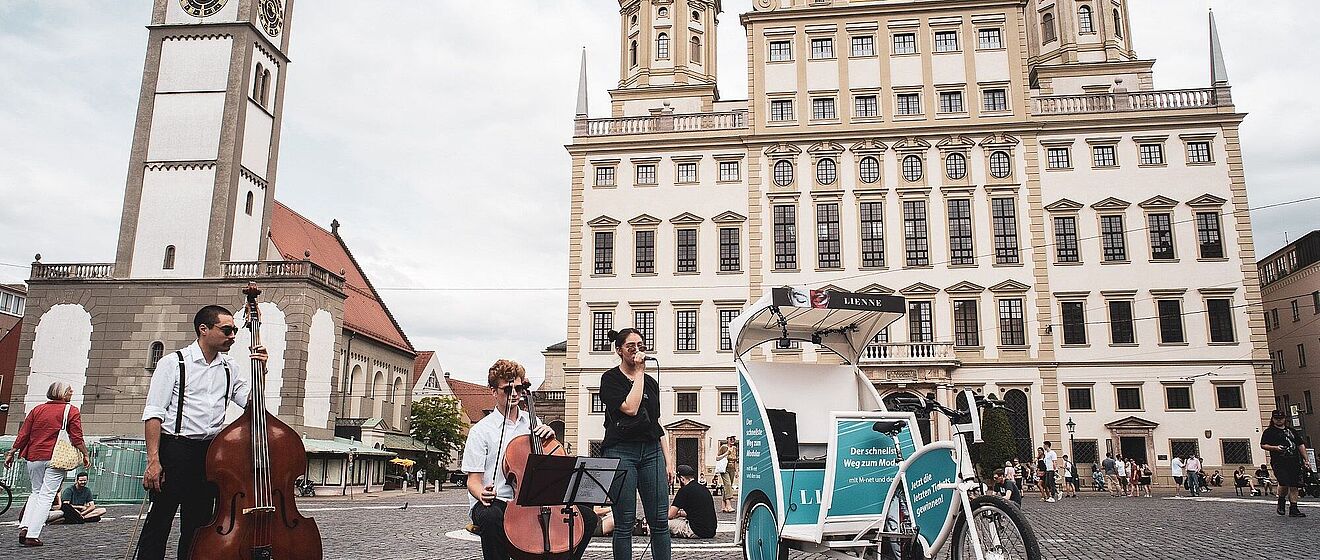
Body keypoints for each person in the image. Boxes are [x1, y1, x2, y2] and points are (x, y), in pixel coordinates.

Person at [136, 305, 261, 560]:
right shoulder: (173, 363)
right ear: (203, 329)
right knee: (159, 522)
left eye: (235, 330)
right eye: (227, 330)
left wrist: (261, 371)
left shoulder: (229, 367)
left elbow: (251, 402)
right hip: (175, 449)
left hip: (210, 454)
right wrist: (153, 460)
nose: (233, 336)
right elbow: (154, 413)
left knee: (199, 525)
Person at [462, 359, 597, 560]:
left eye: (518, 388)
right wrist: (482, 493)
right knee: (491, 517)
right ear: (493, 391)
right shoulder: (481, 431)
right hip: (497, 500)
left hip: (535, 498)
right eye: (508, 389)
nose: (515, 394)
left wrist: (551, 441)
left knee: (587, 517)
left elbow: (551, 468)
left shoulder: (534, 423)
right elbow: (473, 480)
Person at [599, 328, 673, 560]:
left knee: (660, 520)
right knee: (624, 521)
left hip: (651, 451)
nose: (637, 349)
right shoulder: (610, 380)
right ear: (619, 350)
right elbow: (630, 408)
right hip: (621, 450)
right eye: (630, 346)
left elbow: (657, 424)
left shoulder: (650, 382)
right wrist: (639, 371)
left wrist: (668, 461)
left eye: (640, 344)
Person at [5, 381, 92, 546]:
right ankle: (33, 534)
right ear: (61, 393)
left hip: (33, 456)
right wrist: (85, 454)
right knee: (47, 496)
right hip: (56, 458)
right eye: (68, 389)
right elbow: (76, 437)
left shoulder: (37, 410)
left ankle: (25, 526)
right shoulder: (70, 410)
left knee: (36, 492)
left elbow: (23, 434)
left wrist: (11, 452)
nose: (72, 391)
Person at [1261, 409, 1313, 517]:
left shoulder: (1292, 431)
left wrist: (1306, 460)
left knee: (1294, 485)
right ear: (1273, 419)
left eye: (1281, 418)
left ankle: (1294, 509)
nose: (1279, 421)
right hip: (1279, 461)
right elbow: (1263, 445)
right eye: (1277, 419)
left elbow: (1300, 445)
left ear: (1284, 419)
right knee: (1283, 482)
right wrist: (1275, 448)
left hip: (1294, 461)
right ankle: (1281, 501)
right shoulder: (1269, 432)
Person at [669, 465, 717, 539]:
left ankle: (646, 528)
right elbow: (699, 512)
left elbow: (670, 515)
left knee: (663, 523)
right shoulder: (704, 488)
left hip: (695, 530)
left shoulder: (684, 491)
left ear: (682, 479)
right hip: (711, 531)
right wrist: (681, 514)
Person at [716, 436, 738, 513]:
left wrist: (736, 471)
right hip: (724, 468)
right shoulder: (723, 447)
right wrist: (726, 453)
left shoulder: (735, 448)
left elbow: (735, 460)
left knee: (728, 487)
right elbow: (717, 458)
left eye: (734, 439)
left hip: (732, 469)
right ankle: (728, 505)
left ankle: (723, 506)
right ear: (727, 440)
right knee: (728, 485)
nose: (732, 440)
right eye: (730, 439)